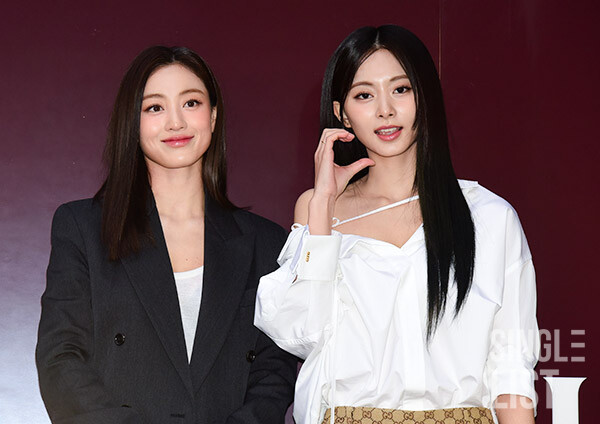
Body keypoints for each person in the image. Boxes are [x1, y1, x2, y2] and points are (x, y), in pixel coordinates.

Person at [254, 26, 539, 424]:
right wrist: (321, 208)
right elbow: (300, 333)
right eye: (364, 95)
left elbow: (511, 370)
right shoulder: (319, 212)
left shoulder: (489, 216)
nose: (385, 110)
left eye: (401, 89)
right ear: (341, 113)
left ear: (425, 96)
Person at [36, 46, 296, 424]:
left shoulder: (265, 241)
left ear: (213, 116)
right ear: (133, 121)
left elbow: (275, 368)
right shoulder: (84, 228)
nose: (176, 122)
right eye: (155, 107)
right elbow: (60, 358)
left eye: (191, 103)